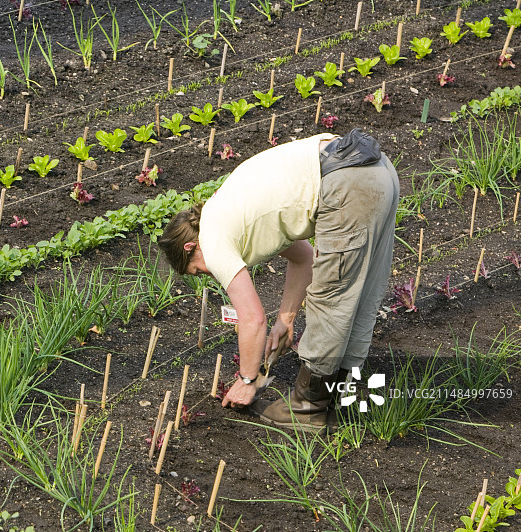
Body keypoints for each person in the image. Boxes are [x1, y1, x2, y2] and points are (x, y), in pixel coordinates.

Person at [158, 129, 399, 432]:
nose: (208, 275)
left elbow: (252, 319)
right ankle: (336, 393)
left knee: (331, 295)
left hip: (345, 180)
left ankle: (306, 407)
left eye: (197, 270)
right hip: (378, 170)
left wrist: (247, 380)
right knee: (360, 291)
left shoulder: (213, 238)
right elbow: (303, 258)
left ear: (190, 247)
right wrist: (285, 321)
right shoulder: (231, 211)